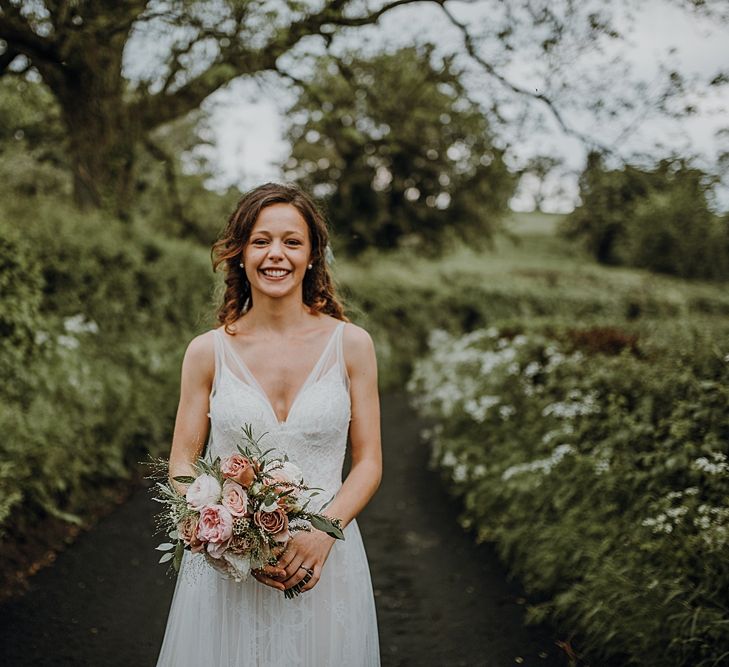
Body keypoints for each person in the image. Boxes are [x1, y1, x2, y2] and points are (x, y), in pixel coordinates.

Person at [155, 183, 382, 666]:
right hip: (228, 574)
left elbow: (368, 463)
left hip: (324, 564)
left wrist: (325, 534)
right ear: (240, 252)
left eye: (292, 241)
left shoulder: (353, 345)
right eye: (261, 241)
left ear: (313, 255)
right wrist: (223, 532)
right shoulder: (206, 352)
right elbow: (182, 461)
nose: (275, 254)